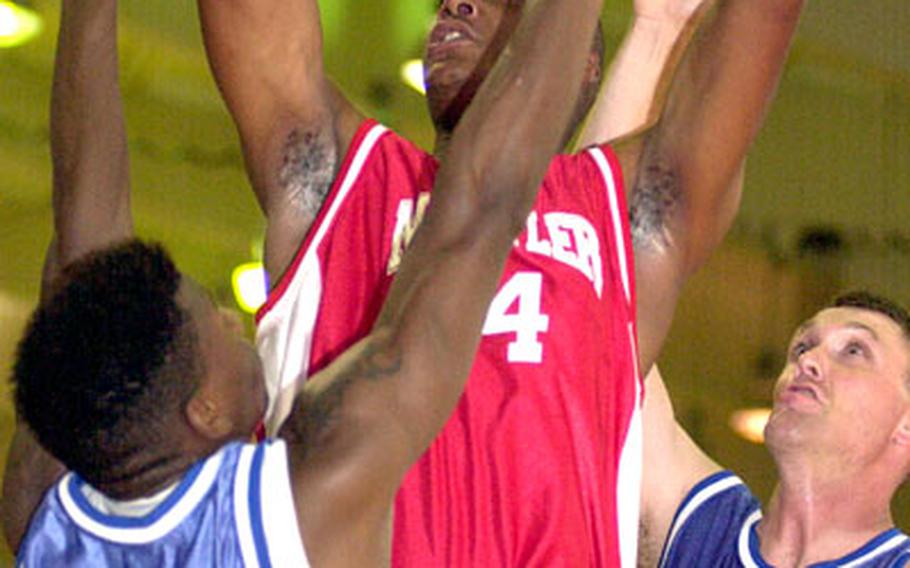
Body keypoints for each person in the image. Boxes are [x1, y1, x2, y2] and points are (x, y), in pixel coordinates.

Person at [198, 0, 806, 564]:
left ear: (580, 60)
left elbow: (761, 27)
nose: (455, 5)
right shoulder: (342, 175)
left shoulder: (623, 213)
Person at [0, 0, 607, 563]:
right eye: (217, 324)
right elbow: (474, 222)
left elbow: (83, 240)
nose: (237, 320)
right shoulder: (293, 506)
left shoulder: (46, 511)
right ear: (205, 410)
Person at [640, 291, 910, 566]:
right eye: (803, 347)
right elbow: (617, 335)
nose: (806, 361)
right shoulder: (702, 522)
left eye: (853, 351)